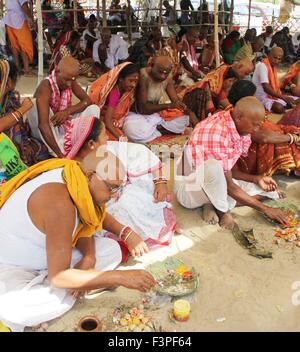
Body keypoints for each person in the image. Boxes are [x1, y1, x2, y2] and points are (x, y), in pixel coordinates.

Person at [0, 157, 156, 331]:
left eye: (119, 188)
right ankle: (82, 284)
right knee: (13, 309)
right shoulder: (59, 205)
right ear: (90, 176)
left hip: (51, 253)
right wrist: (120, 277)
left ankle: (81, 283)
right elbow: (58, 277)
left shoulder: (75, 177)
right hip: (15, 267)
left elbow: (83, 224)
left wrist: (89, 258)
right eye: (112, 188)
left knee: (111, 250)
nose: (114, 196)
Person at [174, 96, 288, 229]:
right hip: (188, 189)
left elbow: (228, 170)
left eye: (259, 124)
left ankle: (211, 204)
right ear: (239, 117)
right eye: (254, 124)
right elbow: (228, 185)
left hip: (209, 179)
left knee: (260, 189)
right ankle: (222, 211)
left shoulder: (234, 123)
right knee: (215, 168)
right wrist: (266, 209)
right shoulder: (217, 133)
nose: (256, 129)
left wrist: (256, 178)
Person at [63, 117, 176, 249]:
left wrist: (160, 182)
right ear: (91, 144)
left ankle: (160, 224)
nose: (107, 137)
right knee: (126, 205)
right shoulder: (73, 171)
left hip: (123, 194)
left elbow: (140, 153)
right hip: (104, 212)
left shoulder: (108, 148)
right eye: (104, 135)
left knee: (142, 185)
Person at [28, 56, 99, 158]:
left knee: (93, 109)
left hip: (61, 127)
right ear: (57, 71)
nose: (69, 84)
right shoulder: (46, 86)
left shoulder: (70, 79)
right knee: (36, 106)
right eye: (66, 79)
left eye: (72, 80)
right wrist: (60, 155)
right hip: (46, 130)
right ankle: (60, 149)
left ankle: (81, 143)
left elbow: (87, 101)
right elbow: (43, 125)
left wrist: (67, 111)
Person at [226, 80, 300, 177]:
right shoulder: (239, 117)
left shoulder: (237, 110)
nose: (256, 98)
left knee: (289, 130)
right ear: (247, 99)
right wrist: (292, 138)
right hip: (253, 151)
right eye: (254, 96)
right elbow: (262, 137)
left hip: (271, 135)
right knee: (284, 144)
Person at [123, 56, 190, 143]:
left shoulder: (168, 77)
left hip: (155, 116)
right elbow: (143, 109)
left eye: (166, 73)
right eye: (160, 72)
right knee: (132, 130)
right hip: (137, 116)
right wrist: (169, 106)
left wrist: (184, 108)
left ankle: (153, 130)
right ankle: (156, 131)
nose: (163, 76)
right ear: (151, 65)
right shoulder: (143, 76)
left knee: (183, 119)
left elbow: (175, 101)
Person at [0, 60, 49, 168]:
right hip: (3, 146)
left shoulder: (10, 97)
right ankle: (19, 160)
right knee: (14, 128)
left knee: (43, 149)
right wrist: (22, 109)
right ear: (8, 81)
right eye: (15, 79)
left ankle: (21, 158)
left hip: (12, 143)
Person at [88, 63, 139, 141]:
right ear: (121, 79)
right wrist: (122, 139)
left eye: (135, 82)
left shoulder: (126, 92)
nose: (133, 85)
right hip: (104, 123)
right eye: (131, 81)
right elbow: (108, 121)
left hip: (113, 122)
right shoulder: (115, 93)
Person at [252, 47, 299, 114]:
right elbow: (266, 88)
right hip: (262, 98)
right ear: (269, 55)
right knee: (279, 108)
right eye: (275, 58)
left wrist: (283, 97)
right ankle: (288, 108)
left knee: (298, 100)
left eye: (279, 59)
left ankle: (289, 107)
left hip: (274, 96)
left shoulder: (272, 66)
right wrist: (283, 97)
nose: (276, 61)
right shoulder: (262, 66)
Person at [3, 0, 34, 75]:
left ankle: (17, 69)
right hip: (19, 20)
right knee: (25, 45)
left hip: (9, 20)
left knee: (14, 46)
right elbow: (24, 6)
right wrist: (31, 18)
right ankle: (26, 69)